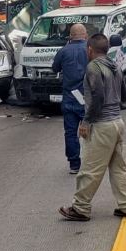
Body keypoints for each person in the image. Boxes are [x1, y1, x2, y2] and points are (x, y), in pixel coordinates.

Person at [59, 34, 126, 221]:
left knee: (89, 168)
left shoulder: (93, 67)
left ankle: (80, 208)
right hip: (117, 122)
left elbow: (98, 97)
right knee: (118, 168)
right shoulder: (114, 66)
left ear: (90, 50)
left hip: (102, 124)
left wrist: (86, 122)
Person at [52, 23, 88, 174]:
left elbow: (55, 68)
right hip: (87, 97)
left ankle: (74, 164)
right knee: (93, 131)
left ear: (70, 36)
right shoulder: (90, 49)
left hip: (69, 97)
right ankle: (94, 162)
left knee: (71, 132)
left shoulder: (63, 51)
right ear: (85, 35)